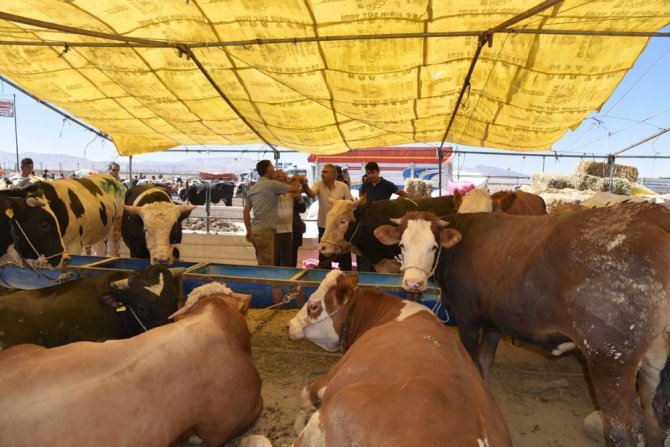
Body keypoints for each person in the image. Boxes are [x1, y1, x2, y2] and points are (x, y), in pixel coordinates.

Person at [243, 160, 303, 266]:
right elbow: (295, 188)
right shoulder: (271, 185)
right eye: (272, 166)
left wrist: (248, 230)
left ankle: (261, 281)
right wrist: (297, 178)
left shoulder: (253, 188)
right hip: (266, 230)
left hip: (255, 230)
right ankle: (264, 282)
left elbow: (246, 211)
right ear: (268, 169)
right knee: (267, 265)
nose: (274, 169)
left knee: (261, 260)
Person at [302, 163, 353, 270]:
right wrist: (305, 185)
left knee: (343, 252)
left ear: (333, 174)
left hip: (340, 228)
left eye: (325, 172)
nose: (322, 174)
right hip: (323, 224)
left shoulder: (343, 186)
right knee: (324, 252)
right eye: (322, 172)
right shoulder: (319, 184)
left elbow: (350, 202)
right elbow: (311, 194)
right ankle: (324, 275)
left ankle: (344, 274)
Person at [273, 169, 295, 267]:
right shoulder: (273, 190)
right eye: (281, 176)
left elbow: (298, 191)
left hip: (288, 230)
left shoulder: (289, 191)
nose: (285, 177)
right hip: (275, 230)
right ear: (275, 179)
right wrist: (295, 179)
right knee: (274, 260)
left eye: (285, 175)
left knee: (287, 261)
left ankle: (286, 281)